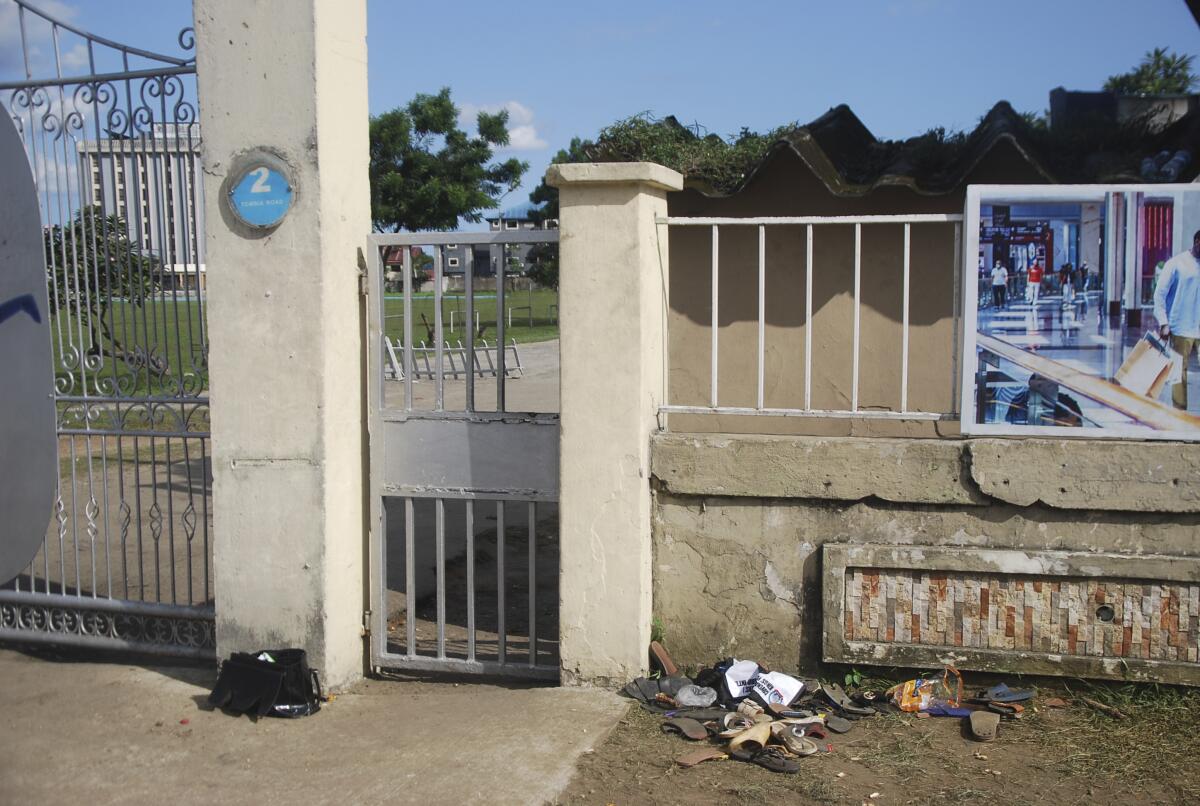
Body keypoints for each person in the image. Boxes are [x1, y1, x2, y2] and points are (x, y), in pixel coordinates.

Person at [1153, 229, 1200, 410]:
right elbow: (1160, 295)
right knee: (1178, 373)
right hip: (1180, 327)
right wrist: (1164, 322)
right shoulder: (1176, 264)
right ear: (1197, 242)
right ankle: (1178, 414)